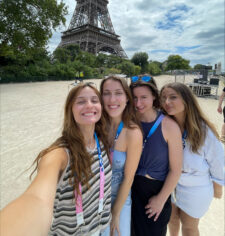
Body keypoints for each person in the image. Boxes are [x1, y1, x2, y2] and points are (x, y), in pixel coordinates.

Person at [0, 83, 112, 236]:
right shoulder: (60, 154)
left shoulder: (101, 140)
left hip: (99, 227)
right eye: (80, 101)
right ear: (70, 109)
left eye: (94, 100)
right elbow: (36, 198)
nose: (89, 105)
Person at [160, 82, 224, 236]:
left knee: (189, 227)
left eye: (173, 97)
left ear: (186, 100)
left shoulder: (203, 130)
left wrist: (218, 188)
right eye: (163, 98)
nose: (167, 102)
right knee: (172, 220)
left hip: (196, 187)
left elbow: (217, 161)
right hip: (170, 184)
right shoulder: (164, 124)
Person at [130, 75, 183, 236]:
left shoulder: (169, 126)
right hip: (131, 192)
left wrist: (161, 199)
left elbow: (176, 170)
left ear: (154, 96)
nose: (138, 103)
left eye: (144, 97)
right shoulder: (130, 121)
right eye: (134, 98)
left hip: (155, 194)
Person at [100, 76, 143, 236]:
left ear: (127, 98)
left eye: (118, 93)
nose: (112, 99)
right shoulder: (95, 127)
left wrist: (115, 213)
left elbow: (129, 178)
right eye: (106, 93)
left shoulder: (133, 132)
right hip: (93, 200)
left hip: (119, 200)